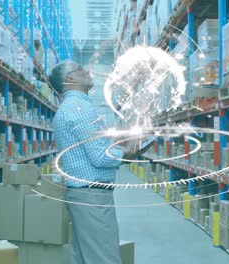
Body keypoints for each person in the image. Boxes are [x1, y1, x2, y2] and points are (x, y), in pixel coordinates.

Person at [49, 60, 148, 264]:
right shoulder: (80, 108)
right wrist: (129, 152)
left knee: (84, 258)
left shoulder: (69, 107)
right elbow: (101, 157)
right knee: (105, 258)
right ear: (70, 78)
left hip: (81, 195)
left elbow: (92, 149)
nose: (86, 71)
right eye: (80, 69)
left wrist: (120, 144)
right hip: (91, 198)